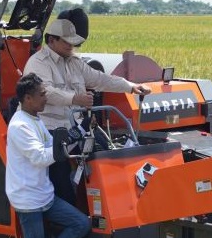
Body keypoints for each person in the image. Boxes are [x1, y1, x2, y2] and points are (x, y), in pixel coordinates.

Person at [22, 18, 151, 202]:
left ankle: (112, 204)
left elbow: (100, 79)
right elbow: (46, 92)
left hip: (77, 129)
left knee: (107, 155)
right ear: (52, 40)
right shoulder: (38, 63)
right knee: (61, 177)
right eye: (67, 42)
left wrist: (131, 86)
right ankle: (69, 212)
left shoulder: (74, 61)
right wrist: (75, 98)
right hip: (51, 132)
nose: (72, 46)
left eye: (74, 42)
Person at [5, 73, 91, 238]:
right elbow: (40, 157)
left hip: (44, 194)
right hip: (28, 200)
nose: (46, 98)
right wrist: (62, 147)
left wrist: (78, 131)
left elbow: (51, 144)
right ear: (27, 98)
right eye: (42, 94)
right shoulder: (20, 126)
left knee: (82, 224)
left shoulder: (35, 119)